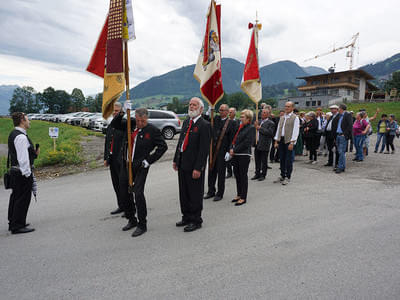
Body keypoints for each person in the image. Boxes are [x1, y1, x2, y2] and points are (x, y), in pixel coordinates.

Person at [112, 108, 168, 237]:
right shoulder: (130, 124)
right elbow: (114, 124)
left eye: (142, 121)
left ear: (146, 119)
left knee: (138, 193)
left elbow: (163, 147)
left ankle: (142, 224)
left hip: (141, 166)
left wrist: (149, 160)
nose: (140, 123)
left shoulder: (152, 130)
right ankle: (132, 219)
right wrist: (121, 113)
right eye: (138, 120)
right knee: (124, 193)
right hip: (126, 164)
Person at [173, 97, 211, 232]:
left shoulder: (204, 125)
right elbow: (181, 143)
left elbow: (203, 150)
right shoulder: (186, 123)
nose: (191, 107)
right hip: (183, 163)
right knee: (184, 193)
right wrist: (176, 160)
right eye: (190, 104)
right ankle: (186, 216)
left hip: (194, 166)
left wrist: (198, 168)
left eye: (194, 105)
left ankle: (196, 220)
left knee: (195, 193)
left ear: (201, 109)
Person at [7, 112, 39, 234]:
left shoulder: (14, 134)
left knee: (16, 197)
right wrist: (27, 173)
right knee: (22, 199)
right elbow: (23, 159)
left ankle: (13, 221)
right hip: (21, 172)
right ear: (22, 120)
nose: (29, 121)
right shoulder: (20, 137)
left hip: (15, 171)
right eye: (27, 119)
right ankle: (18, 225)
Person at [204, 104, 235, 201]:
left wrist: (229, 151)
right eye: (220, 110)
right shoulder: (215, 119)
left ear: (227, 112)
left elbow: (232, 139)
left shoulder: (231, 123)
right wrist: (209, 110)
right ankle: (211, 191)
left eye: (223, 110)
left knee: (221, 173)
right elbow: (205, 119)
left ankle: (220, 193)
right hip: (212, 150)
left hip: (223, 152)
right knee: (211, 171)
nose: (221, 112)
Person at [230, 109, 255, 206]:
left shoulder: (251, 128)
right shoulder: (240, 127)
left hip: (244, 155)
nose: (241, 118)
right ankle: (239, 194)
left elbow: (247, 143)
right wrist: (231, 148)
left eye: (243, 117)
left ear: (248, 119)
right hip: (236, 154)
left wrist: (234, 150)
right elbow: (234, 139)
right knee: (237, 175)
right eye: (240, 116)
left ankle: (243, 197)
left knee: (243, 176)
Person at [104, 102, 125, 215]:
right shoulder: (111, 125)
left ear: (121, 112)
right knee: (116, 184)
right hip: (112, 159)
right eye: (113, 111)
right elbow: (107, 142)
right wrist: (106, 158)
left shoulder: (123, 124)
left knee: (123, 184)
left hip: (121, 160)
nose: (114, 112)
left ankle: (128, 206)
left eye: (117, 111)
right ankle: (120, 205)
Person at [273, 102, 299, 185]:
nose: (286, 108)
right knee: (282, 159)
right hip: (281, 140)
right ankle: (282, 175)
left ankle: (288, 177)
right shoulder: (282, 117)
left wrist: (292, 142)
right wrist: (276, 140)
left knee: (288, 159)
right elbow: (278, 129)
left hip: (289, 140)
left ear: (292, 108)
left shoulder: (295, 117)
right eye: (285, 106)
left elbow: (295, 131)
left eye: (288, 106)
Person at [252, 109, 275, 181]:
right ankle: (257, 173)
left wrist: (259, 128)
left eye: (264, 113)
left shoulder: (270, 123)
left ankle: (263, 174)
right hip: (257, 143)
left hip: (264, 144)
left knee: (264, 160)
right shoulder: (258, 121)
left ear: (268, 114)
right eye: (262, 112)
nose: (262, 114)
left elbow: (270, 133)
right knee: (257, 159)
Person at [332, 104, 353, 174]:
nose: (338, 110)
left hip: (342, 136)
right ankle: (342, 166)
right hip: (338, 135)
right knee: (340, 152)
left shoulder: (347, 115)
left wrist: (345, 134)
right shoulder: (339, 116)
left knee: (341, 152)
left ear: (341, 109)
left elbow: (350, 125)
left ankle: (340, 167)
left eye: (338, 109)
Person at [226, 107, 239, 178]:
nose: (229, 114)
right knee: (227, 157)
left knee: (235, 158)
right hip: (228, 142)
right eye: (229, 112)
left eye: (231, 112)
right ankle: (229, 172)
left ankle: (235, 172)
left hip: (235, 142)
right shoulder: (227, 121)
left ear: (234, 113)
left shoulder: (238, 121)